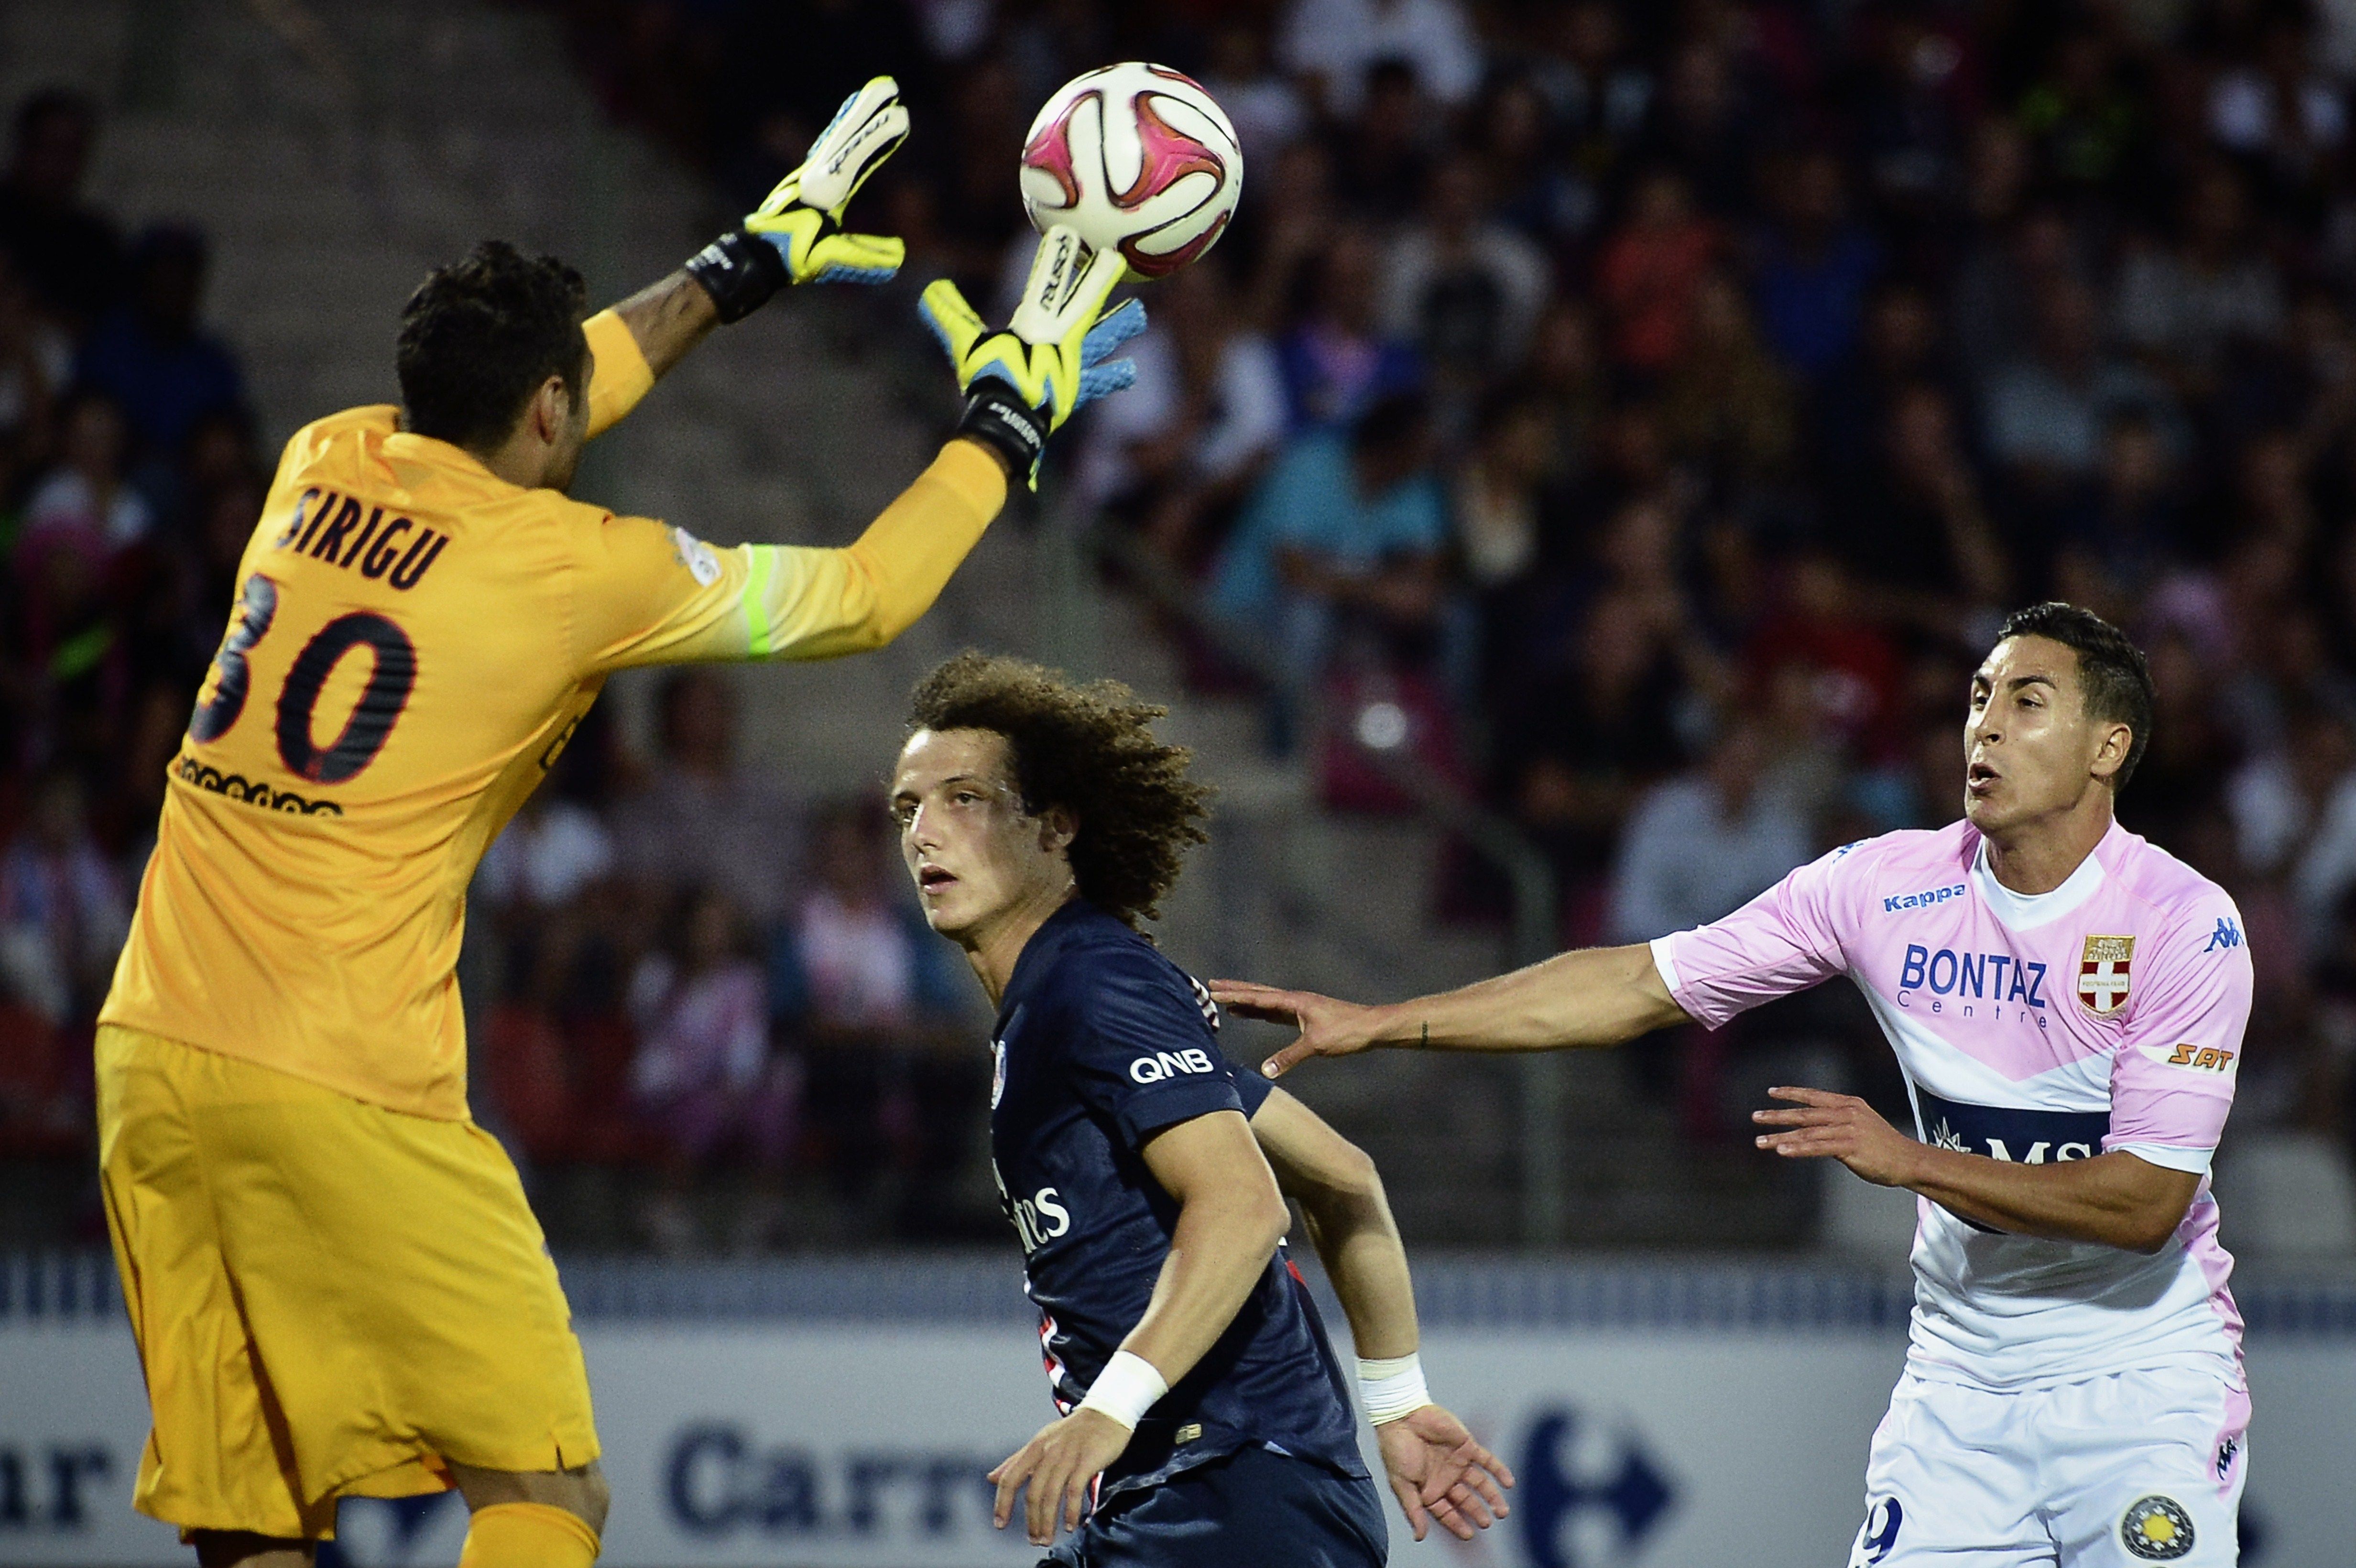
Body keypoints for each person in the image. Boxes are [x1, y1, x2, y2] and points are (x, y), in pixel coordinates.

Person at [91, 79, 1144, 1568]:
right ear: (545, 413)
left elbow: (562, 375)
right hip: (344, 1076)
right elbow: (865, 599)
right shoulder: (585, 566)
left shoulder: (321, 460)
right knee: (544, 1493)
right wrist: (1002, 423)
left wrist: (738, 269)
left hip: (150, 1053)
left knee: (247, 1521)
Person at [1218, 602, 2254, 1568]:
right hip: (1961, 1392)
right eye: (1979, 696)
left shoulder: (2181, 924)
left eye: (2027, 702)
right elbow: (1636, 982)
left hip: (2139, 1386)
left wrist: (1909, 1161)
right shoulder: (1883, 885)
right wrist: (1385, 1021)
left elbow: (2144, 1202)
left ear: (2108, 747)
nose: (1982, 726)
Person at [887, 651, 1512, 1565]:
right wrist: (1397, 1401)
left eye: (964, 799)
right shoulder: (1066, 1000)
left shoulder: (1091, 983)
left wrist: (1106, 1413)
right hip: (1230, 1495)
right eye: (909, 809)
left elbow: (1247, 1204)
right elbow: (1344, 1177)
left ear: (1055, 828)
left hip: (1225, 1493)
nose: (924, 833)